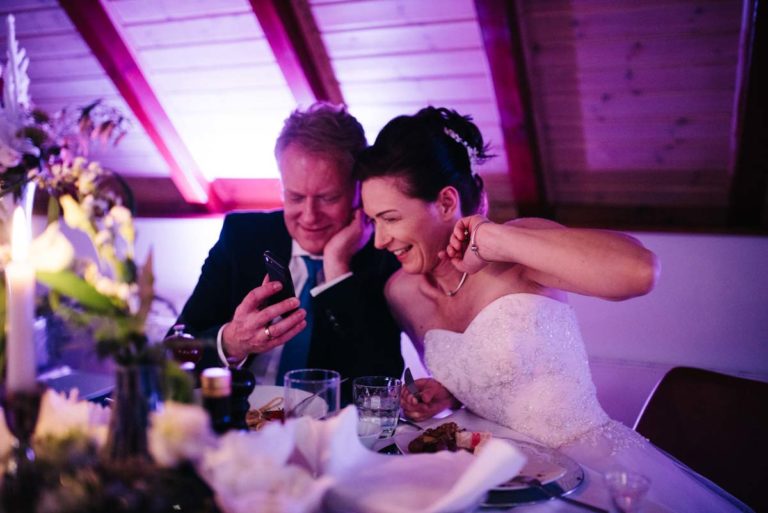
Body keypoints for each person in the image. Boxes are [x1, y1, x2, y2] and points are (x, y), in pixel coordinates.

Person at [354, 106, 750, 512]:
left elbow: (640, 271)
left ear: (446, 202)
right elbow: (478, 384)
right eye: (373, 221)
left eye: (389, 219)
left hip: (589, 469)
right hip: (495, 477)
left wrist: (496, 239)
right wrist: (448, 395)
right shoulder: (401, 293)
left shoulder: (519, 247)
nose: (380, 240)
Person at [174, 102, 403, 401]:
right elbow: (174, 352)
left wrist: (337, 270)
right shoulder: (241, 236)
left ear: (358, 190)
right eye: (295, 197)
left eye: (327, 198)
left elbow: (380, 386)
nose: (309, 216)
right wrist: (230, 342)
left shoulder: (385, 257)